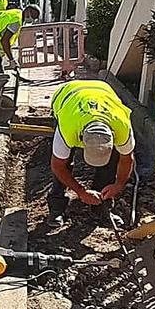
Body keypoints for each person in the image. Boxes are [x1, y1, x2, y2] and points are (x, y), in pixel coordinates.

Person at [48, 80, 136, 220]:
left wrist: (118, 185)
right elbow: (57, 166)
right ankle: (56, 208)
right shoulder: (68, 128)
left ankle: (101, 206)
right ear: (81, 139)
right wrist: (81, 192)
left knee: (112, 162)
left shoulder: (122, 127)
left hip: (103, 90)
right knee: (65, 160)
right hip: (67, 95)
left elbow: (126, 159)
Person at [0, 4, 39, 74]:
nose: (32, 19)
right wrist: (11, 60)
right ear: (27, 11)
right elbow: (4, 41)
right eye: (33, 16)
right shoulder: (16, 21)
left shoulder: (16, 12)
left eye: (34, 18)